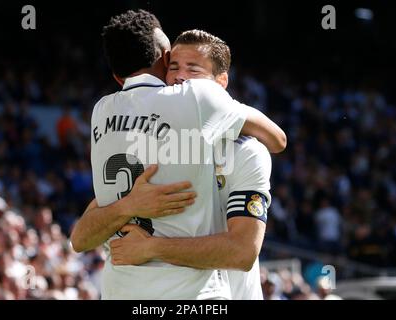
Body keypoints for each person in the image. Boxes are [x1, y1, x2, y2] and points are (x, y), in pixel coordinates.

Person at [70, 10, 285, 300]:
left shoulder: (103, 112)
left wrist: (151, 245)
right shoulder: (191, 105)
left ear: (221, 83)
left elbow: (242, 252)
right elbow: (278, 138)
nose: (182, 76)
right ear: (163, 58)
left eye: (193, 70)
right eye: (174, 65)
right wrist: (129, 206)